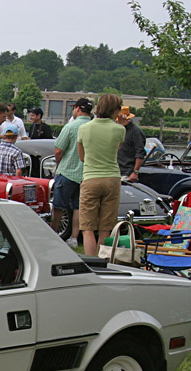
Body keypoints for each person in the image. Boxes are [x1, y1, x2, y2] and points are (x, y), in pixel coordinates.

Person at [77, 93, 126, 256]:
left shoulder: (84, 128)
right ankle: (102, 258)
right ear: (114, 110)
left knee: (87, 227)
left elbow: (82, 157)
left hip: (91, 177)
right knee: (105, 227)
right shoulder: (120, 129)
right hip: (112, 178)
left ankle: (91, 261)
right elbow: (117, 148)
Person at [51, 97, 93, 247]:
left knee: (58, 206)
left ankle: (53, 234)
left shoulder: (71, 127)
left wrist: (58, 163)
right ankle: (74, 238)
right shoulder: (93, 127)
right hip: (86, 174)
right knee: (78, 208)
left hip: (67, 171)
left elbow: (58, 150)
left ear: (78, 109)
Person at [116, 105, 146, 182]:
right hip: (115, 171)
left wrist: (135, 172)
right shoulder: (117, 129)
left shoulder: (136, 132)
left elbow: (140, 153)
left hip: (127, 172)